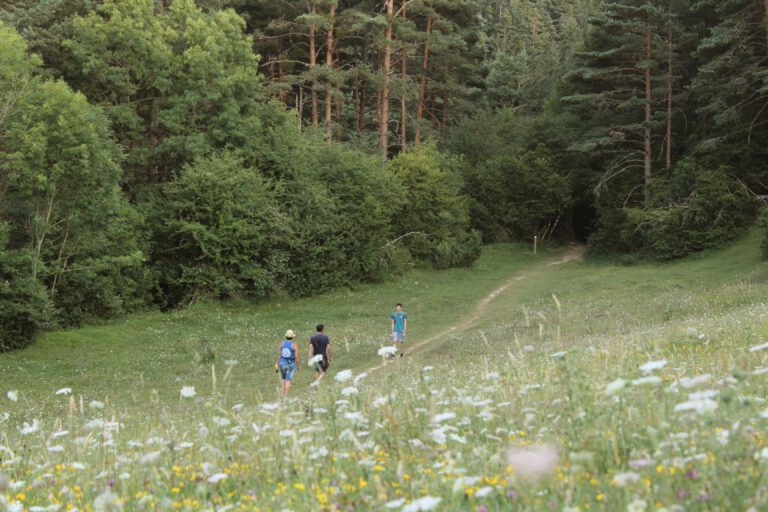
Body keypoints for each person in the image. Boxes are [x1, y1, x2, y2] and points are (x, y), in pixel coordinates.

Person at [276, 329, 300, 397]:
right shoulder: (294, 345)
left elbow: (279, 355)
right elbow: (296, 356)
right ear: (292, 337)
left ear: (286, 336)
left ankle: (282, 393)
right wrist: (298, 365)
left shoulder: (282, 344)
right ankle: (285, 396)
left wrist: (277, 364)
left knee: (283, 378)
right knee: (288, 379)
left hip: (282, 363)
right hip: (291, 364)